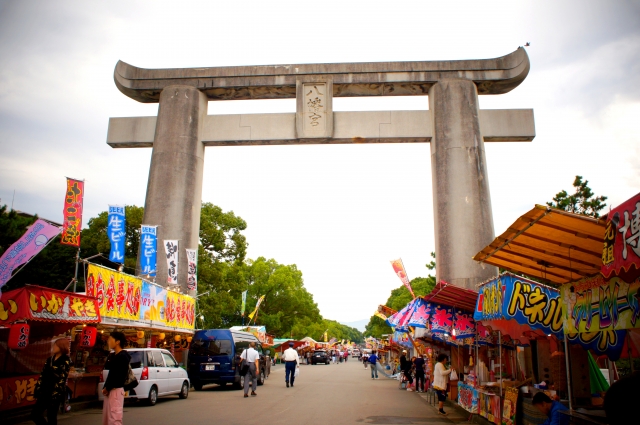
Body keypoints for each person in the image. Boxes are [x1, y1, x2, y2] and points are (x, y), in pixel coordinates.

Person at [31, 338, 71, 425]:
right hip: (44, 389)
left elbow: (62, 378)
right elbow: (42, 374)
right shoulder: (50, 359)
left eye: (56, 345)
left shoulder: (66, 360)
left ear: (61, 347)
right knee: (35, 414)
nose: (54, 347)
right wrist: (37, 389)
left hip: (55, 392)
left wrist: (55, 393)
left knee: (51, 416)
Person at [102, 331, 130, 425]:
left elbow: (118, 375)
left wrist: (108, 387)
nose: (108, 341)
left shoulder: (123, 356)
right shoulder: (113, 355)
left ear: (117, 342)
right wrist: (106, 388)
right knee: (108, 418)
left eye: (110, 339)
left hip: (116, 390)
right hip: (110, 390)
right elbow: (110, 373)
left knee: (115, 419)